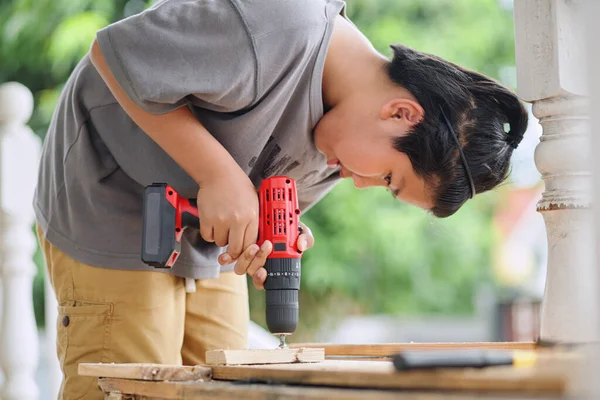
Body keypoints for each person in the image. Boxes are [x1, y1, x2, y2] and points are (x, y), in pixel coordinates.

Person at [33, 0, 528, 398]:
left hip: (190, 234)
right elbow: (115, 55)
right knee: (132, 379)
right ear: (401, 114)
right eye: (389, 178)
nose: (362, 183)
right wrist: (219, 174)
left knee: (224, 381)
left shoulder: (338, 148)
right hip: (110, 195)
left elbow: (243, 207)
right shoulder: (278, 25)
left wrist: (258, 237)